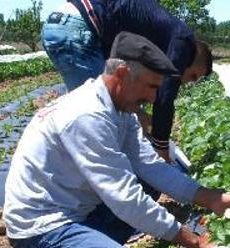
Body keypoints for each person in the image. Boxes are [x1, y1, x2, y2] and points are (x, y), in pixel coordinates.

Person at [0, 32, 230, 248]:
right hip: (42, 227)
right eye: (150, 86)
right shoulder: (87, 116)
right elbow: (125, 198)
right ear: (122, 73)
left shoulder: (120, 109)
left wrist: (210, 198)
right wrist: (194, 242)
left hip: (75, 213)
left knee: (148, 186)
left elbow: (151, 167)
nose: (154, 97)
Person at [41, 0, 212, 162]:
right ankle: (83, 174)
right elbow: (165, 96)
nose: (190, 82)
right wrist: (161, 148)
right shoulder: (184, 41)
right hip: (79, 27)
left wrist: (138, 113)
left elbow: (127, 83)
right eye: (194, 76)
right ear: (197, 57)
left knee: (96, 110)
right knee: (96, 113)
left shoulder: (161, 35)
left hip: (64, 23)